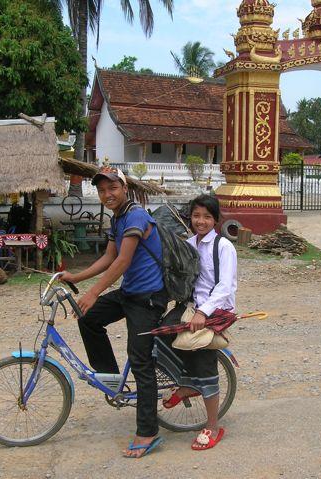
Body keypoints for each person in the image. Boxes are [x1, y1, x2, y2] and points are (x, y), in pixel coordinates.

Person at [60, 166, 168, 459]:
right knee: (89, 319)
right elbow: (108, 257)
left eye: (113, 188)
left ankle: (148, 432)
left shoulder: (135, 215)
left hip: (148, 298)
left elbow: (122, 261)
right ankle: (111, 381)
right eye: (102, 190)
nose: (107, 194)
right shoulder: (117, 218)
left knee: (141, 359)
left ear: (124, 188)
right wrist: (76, 278)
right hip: (131, 293)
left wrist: (94, 292)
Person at [163, 194, 237, 450]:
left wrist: (203, 313)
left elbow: (224, 287)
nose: (201, 221)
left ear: (215, 220)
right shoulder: (188, 243)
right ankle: (187, 384)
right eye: (196, 216)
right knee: (161, 334)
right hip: (192, 306)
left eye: (207, 216)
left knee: (204, 359)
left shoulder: (224, 247)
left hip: (216, 309)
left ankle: (213, 426)